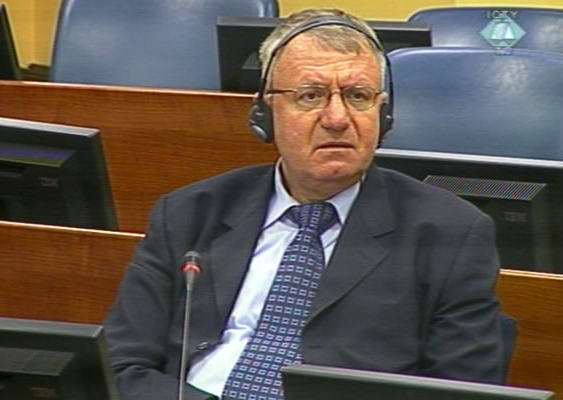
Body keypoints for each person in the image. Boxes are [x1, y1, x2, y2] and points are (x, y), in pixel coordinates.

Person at [104, 8, 503, 400]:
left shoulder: (449, 233)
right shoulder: (189, 213)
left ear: (384, 115)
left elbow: (461, 392)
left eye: (358, 96)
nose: (336, 118)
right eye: (310, 96)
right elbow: (121, 365)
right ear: (264, 112)